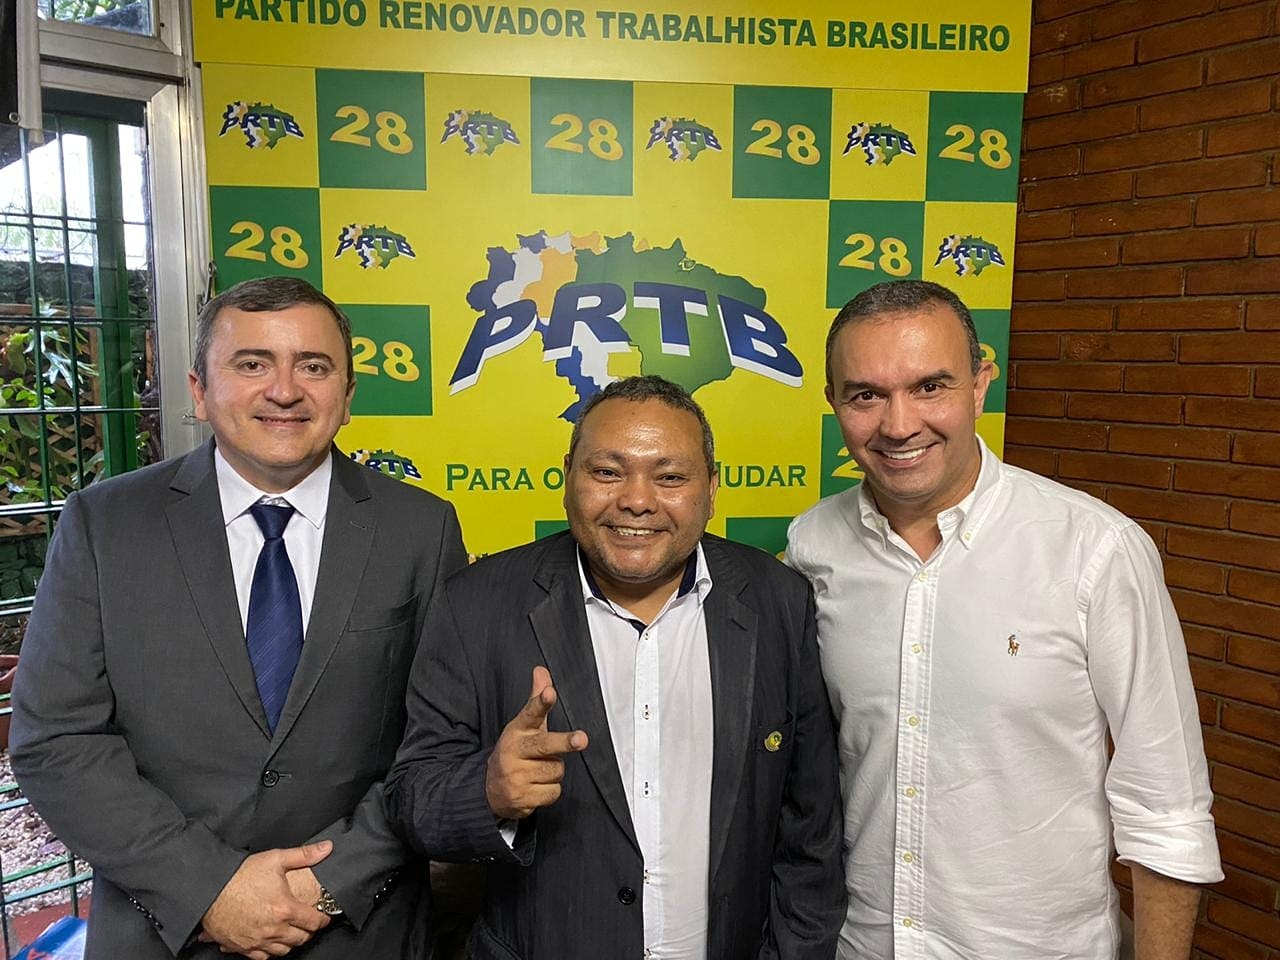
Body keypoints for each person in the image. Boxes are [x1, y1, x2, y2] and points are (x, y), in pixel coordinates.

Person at [10, 276, 467, 960]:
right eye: (252, 364)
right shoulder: (104, 525)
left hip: (359, 929)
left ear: (347, 395)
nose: (284, 391)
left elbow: (443, 737)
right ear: (199, 391)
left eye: (313, 367)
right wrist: (208, 889)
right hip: (163, 933)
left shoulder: (421, 529)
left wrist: (328, 883)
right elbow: (55, 738)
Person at [786, 279, 1222, 960]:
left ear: (980, 384)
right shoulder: (812, 545)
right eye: (866, 395)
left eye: (930, 386)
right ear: (834, 402)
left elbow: (1167, 808)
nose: (898, 425)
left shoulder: (1094, 549)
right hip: (860, 944)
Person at [386, 375, 845, 959]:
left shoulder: (778, 599)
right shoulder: (474, 603)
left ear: (711, 488)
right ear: (567, 476)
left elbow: (811, 830)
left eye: (670, 477)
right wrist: (488, 791)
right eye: (607, 472)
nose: (636, 500)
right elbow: (411, 801)